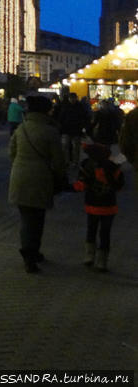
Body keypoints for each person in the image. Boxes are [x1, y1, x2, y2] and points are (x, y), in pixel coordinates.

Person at [8, 94, 66, 273]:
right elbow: (58, 161)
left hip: (19, 177)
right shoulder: (50, 131)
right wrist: (61, 177)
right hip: (41, 178)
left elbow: (12, 153)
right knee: (37, 218)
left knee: (26, 218)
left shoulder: (21, 129)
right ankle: (30, 254)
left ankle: (30, 252)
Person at [72, 143, 124, 272]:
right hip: (109, 206)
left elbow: (81, 185)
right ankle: (102, 261)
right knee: (105, 233)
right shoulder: (113, 167)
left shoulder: (87, 165)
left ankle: (89, 256)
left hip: (92, 204)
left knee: (91, 229)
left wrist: (66, 187)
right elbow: (119, 185)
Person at [56, 92, 88, 171]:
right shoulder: (67, 106)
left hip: (75, 130)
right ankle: (68, 161)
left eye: (73, 98)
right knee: (66, 146)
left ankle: (74, 162)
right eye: (71, 98)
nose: (72, 100)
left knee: (74, 147)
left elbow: (84, 118)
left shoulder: (79, 106)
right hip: (67, 129)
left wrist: (83, 127)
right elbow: (61, 117)